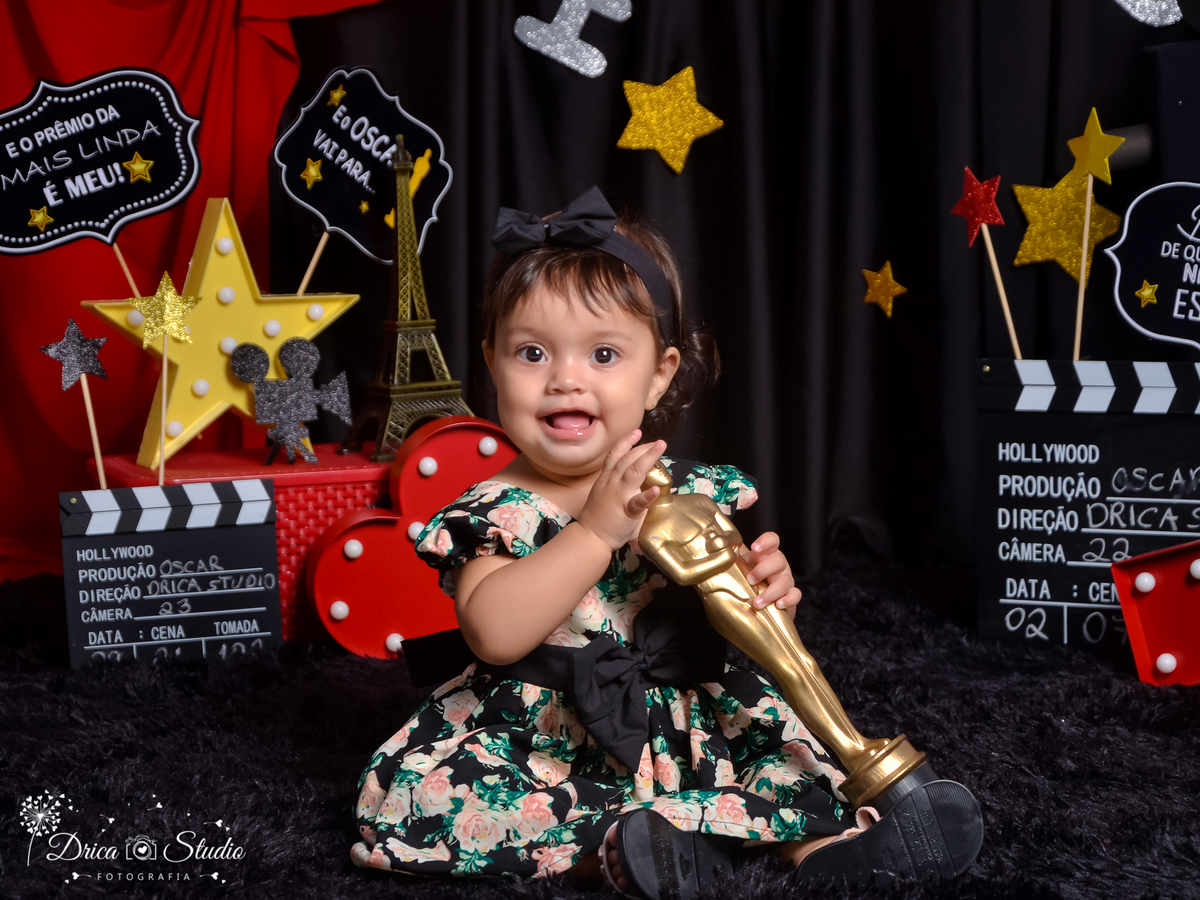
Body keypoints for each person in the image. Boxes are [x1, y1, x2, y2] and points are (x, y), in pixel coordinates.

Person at [350, 187, 982, 897]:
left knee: (787, 761)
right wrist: (595, 531)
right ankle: (621, 852)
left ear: (659, 375)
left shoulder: (684, 489)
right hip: (548, 732)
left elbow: (726, 606)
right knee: (445, 799)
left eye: (603, 354)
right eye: (532, 352)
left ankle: (827, 853)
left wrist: (767, 588)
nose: (565, 378)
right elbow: (493, 633)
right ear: (492, 363)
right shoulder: (496, 509)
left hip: (688, 718)